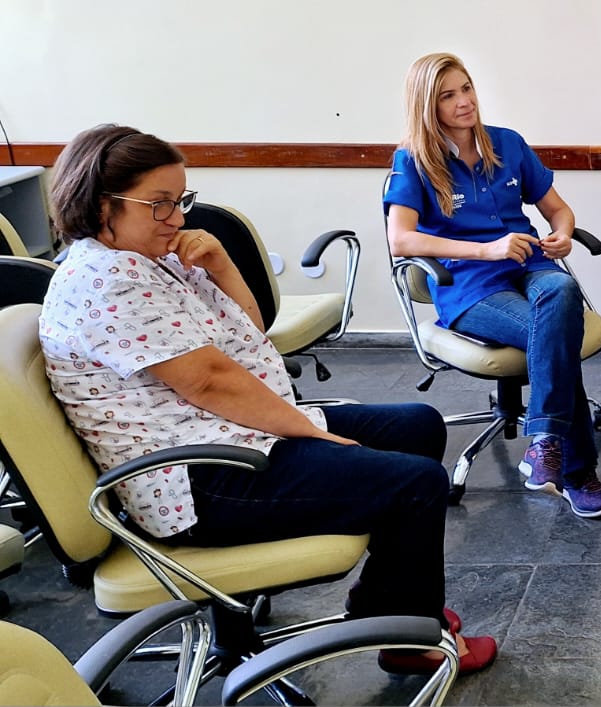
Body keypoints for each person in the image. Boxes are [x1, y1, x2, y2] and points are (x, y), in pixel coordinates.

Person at [38, 124, 495, 674]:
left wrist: (220, 264)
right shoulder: (107, 281)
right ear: (99, 204)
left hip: (223, 436)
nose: (177, 220)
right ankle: (409, 640)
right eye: (158, 206)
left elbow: (249, 336)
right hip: (194, 479)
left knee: (418, 426)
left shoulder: (149, 259)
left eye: (179, 201)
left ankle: (387, 605)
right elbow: (210, 382)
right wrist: (316, 434)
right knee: (417, 484)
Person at [384, 52, 601, 518]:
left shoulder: (507, 144)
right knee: (558, 333)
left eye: (466, 88)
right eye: (448, 96)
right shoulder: (413, 159)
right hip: (470, 286)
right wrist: (486, 249)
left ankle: (546, 441)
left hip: (529, 265)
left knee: (563, 293)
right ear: (427, 105)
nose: (464, 102)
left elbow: (558, 209)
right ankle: (577, 471)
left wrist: (563, 234)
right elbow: (399, 239)